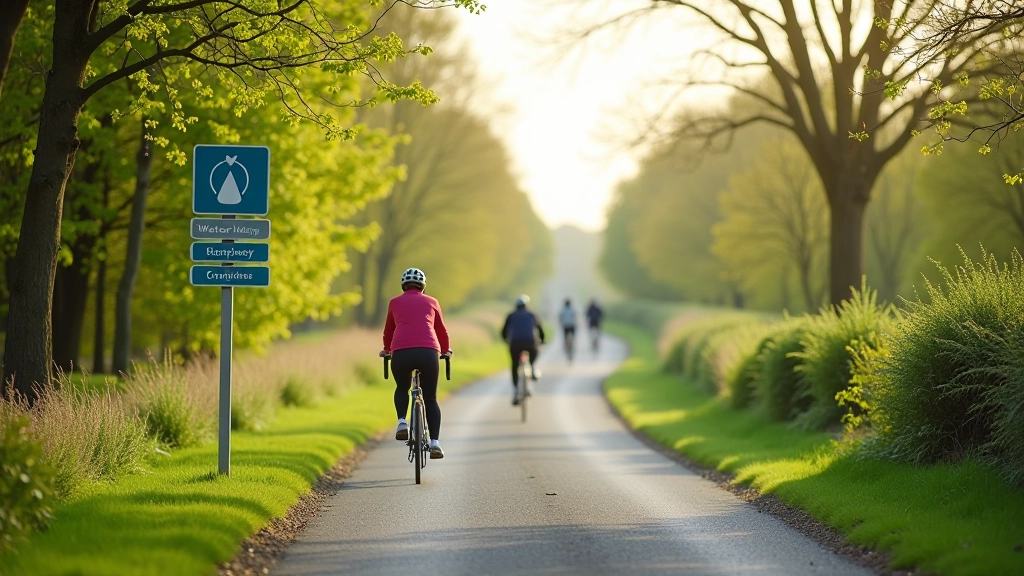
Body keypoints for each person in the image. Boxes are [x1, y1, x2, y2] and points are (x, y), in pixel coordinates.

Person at [381, 267, 451, 459]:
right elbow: (441, 331)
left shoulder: (394, 302)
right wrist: (445, 350)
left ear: (404, 285)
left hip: (401, 352)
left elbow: (389, 330)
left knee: (402, 387)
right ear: (423, 286)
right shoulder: (432, 301)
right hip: (428, 352)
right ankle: (435, 443)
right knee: (430, 399)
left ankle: (402, 421)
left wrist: (387, 350)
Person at [501, 295, 545, 406]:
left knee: (515, 366)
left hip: (515, 344)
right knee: (533, 357)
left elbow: (504, 331)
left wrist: (506, 340)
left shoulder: (511, 315)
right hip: (530, 343)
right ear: (526, 305)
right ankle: (533, 368)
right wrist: (542, 340)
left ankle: (516, 390)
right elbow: (540, 329)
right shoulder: (532, 314)